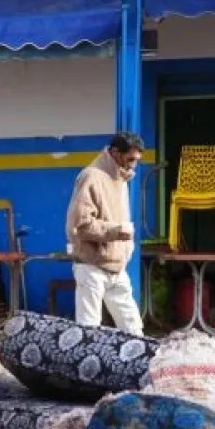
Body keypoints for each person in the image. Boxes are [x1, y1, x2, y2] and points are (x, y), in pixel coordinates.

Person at [67, 131, 144, 335]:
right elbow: (80, 224)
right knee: (89, 330)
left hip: (116, 265)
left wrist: (125, 247)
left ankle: (138, 366)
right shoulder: (91, 176)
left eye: (136, 160)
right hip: (91, 265)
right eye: (130, 159)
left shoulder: (121, 178)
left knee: (133, 328)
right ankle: (86, 367)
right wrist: (116, 232)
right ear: (115, 152)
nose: (133, 165)